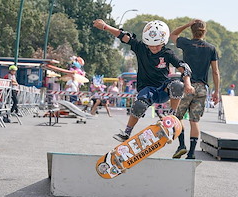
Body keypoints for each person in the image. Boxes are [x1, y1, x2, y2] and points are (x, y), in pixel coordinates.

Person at [93, 19, 194, 142]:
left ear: (163, 42)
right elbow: (123, 36)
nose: (154, 48)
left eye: (157, 45)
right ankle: (126, 133)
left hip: (163, 89)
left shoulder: (167, 53)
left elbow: (184, 67)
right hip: (147, 89)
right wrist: (105, 27)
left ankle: (171, 117)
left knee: (177, 85)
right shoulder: (141, 48)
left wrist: (187, 84)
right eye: (151, 45)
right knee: (139, 105)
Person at [170, 19, 220, 159]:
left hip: (187, 85)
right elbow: (215, 72)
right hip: (201, 88)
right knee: (194, 121)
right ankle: (191, 153)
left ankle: (181, 145)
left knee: (177, 117)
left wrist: (186, 24)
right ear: (205, 31)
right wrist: (217, 91)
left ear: (192, 30)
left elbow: (173, 35)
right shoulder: (211, 48)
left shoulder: (186, 43)